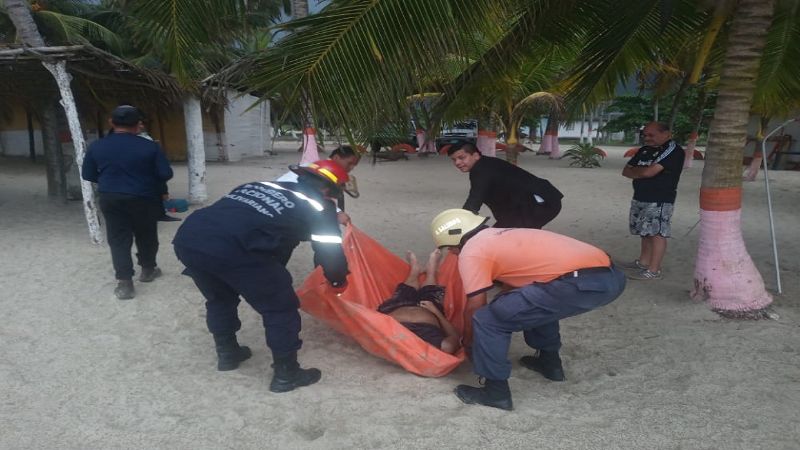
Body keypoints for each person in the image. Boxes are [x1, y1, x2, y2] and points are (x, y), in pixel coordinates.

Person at [172, 160, 349, 393]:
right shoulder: (320, 208)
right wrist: (338, 280)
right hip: (234, 248)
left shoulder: (257, 186)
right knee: (280, 306)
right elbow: (330, 253)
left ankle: (228, 353)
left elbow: (270, 232)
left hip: (191, 239)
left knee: (220, 298)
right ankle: (287, 374)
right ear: (330, 190)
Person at [430, 209, 626, 411]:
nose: (452, 254)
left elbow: (475, 305)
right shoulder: (502, 234)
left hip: (578, 285)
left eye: (449, 249)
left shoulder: (472, 251)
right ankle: (550, 363)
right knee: (523, 303)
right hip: (611, 277)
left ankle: (495, 392)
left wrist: (470, 341)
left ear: (455, 239)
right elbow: (523, 278)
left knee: (487, 319)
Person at [82, 105, 174, 300]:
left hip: (111, 197)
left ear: (111, 123)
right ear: (138, 124)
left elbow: (88, 174)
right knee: (146, 234)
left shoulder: (97, 146)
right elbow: (165, 173)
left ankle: (125, 283)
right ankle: (148, 270)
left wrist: (113, 181)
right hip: (144, 197)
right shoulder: (150, 146)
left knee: (118, 239)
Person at [621, 122, 685, 280]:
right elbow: (625, 171)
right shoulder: (644, 150)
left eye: (651, 135)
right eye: (645, 135)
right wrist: (642, 173)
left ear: (666, 134)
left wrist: (638, 172)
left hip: (659, 199)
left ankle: (654, 270)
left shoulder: (673, 150)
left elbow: (649, 172)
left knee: (656, 233)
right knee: (644, 232)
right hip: (640, 195)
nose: (647, 138)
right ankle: (643, 262)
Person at [447, 142, 563, 229]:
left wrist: (459, 223)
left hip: (539, 203)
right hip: (534, 202)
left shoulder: (480, 170)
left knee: (508, 238)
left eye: (462, 157)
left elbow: (474, 200)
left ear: (476, 155)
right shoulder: (484, 164)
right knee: (504, 234)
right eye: (454, 160)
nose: (457, 163)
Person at [376, 249, 460, 354]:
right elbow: (455, 336)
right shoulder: (444, 347)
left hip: (395, 308)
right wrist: (435, 312)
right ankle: (431, 272)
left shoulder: (392, 343)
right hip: (429, 310)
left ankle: (414, 271)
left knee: (405, 291)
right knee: (430, 292)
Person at [276, 145, 361, 225]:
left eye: (354, 165)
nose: (352, 168)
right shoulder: (318, 174)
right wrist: (337, 213)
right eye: (349, 163)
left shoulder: (317, 168)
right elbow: (312, 197)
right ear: (336, 157)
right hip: (281, 205)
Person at [135, 121, 181, 222]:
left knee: (159, 190)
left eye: (142, 124)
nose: (142, 126)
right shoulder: (134, 139)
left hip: (152, 169)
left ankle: (160, 214)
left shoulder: (145, 136)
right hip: (144, 170)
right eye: (139, 124)